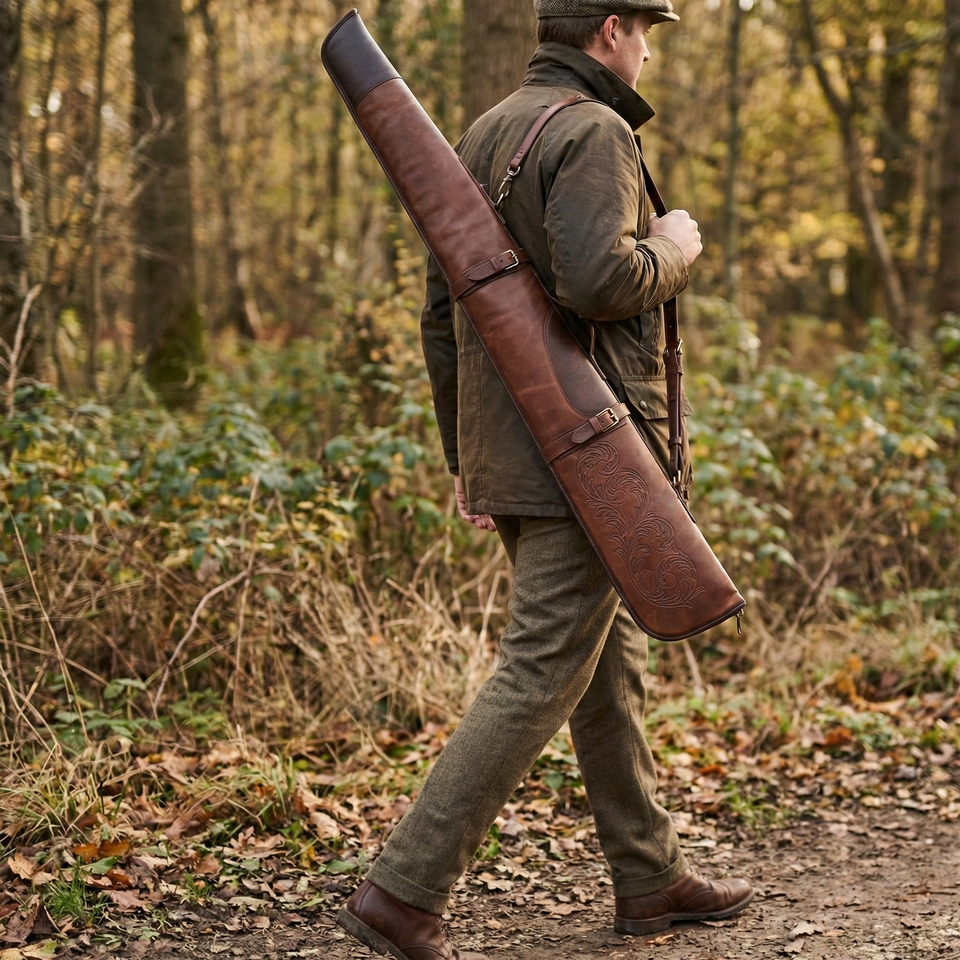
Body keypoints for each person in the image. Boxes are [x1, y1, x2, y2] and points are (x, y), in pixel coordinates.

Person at [337, 2, 754, 957]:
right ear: (609, 29)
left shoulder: (481, 134)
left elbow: (443, 314)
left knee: (605, 667)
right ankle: (403, 891)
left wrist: (465, 454)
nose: (647, 49)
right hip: (588, 454)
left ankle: (649, 875)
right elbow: (601, 283)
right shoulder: (594, 129)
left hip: (521, 450)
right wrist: (675, 247)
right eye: (645, 30)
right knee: (540, 669)